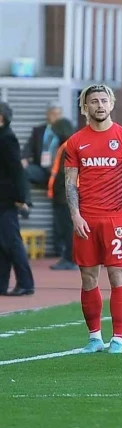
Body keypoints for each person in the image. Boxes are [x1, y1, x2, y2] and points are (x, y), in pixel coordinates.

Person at [64, 85, 122, 354]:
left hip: (117, 219)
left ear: (111, 104)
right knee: (88, 277)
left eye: (104, 100)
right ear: (85, 107)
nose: (99, 105)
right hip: (86, 219)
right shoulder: (76, 142)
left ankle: (119, 339)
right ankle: (94, 337)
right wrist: (75, 215)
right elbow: (70, 184)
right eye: (94, 101)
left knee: (117, 275)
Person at [0, 102, 35, 296]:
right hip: (4, 198)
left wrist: (22, 198)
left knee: (12, 242)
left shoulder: (7, 138)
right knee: (3, 243)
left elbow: (16, 170)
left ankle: (26, 283)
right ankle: (1, 283)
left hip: (7, 199)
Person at [47, 118, 77, 270]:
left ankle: (70, 258)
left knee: (67, 228)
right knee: (66, 228)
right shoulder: (67, 145)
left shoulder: (68, 147)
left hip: (64, 196)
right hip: (63, 194)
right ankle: (69, 257)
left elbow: (64, 173)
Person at [22, 102, 63, 190]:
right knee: (21, 170)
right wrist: (23, 159)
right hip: (41, 169)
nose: (57, 117)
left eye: (59, 114)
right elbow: (28, 148)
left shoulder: (66, 131)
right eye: (54, 114)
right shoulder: (38, 131)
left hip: (59, 172)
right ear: (47, 115)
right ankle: (24, 201)